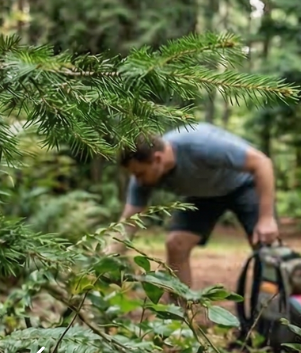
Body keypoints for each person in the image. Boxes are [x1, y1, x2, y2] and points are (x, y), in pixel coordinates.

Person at [116, 123, 280, 289]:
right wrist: (108, 256)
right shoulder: (143, 175)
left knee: (265, 246)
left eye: (140, 174)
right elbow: (129, 220)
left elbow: (262, 163)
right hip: (204, 195)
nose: (137, 181)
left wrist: (266, 218)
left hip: (243, 185)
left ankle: (278, 305)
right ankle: (180, 311)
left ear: (158, 159)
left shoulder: (201, 144)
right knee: (176, 244)